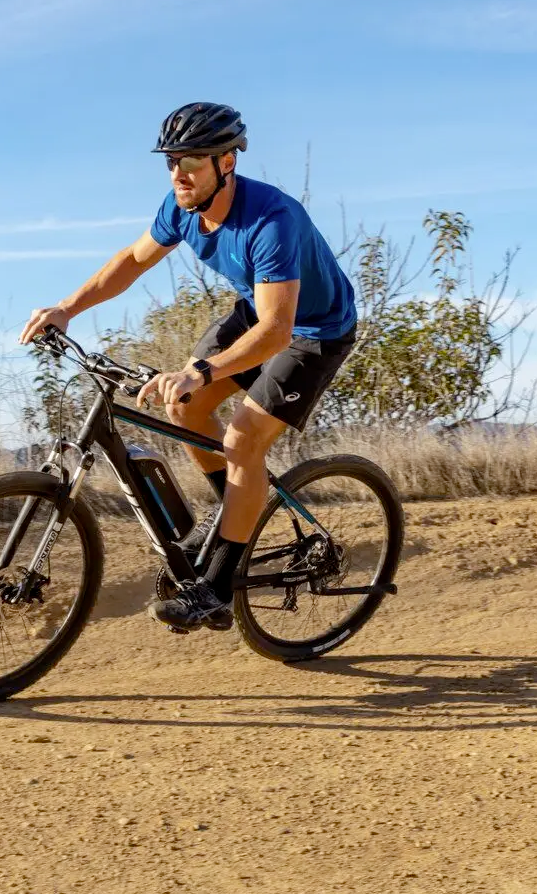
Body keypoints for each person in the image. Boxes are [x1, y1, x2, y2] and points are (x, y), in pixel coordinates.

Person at [19, 102, 357, 632]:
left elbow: (277, 331)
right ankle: (234, 518)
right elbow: (132, 261)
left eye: (193, 161)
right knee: (185, 405)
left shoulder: (271, 220)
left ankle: (218, 587)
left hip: (314, 331)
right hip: (257, 311)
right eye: (172, 160)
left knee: (243, 440)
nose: (179, 172)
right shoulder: (182, 206)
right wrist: (67, 309)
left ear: (227, 163)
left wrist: (201, 369)